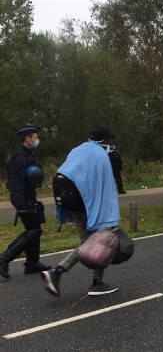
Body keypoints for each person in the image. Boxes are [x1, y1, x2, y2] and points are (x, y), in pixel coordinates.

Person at [41, 126, 121, 296]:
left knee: (89, 243)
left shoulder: (78, 150)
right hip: (89, 206)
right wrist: (108, 212)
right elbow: (104, 187)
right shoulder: (100, 156)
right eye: (108, 140)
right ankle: (61, 274)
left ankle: (67, 275)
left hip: (72, 204)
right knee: (98, 243)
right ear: (102, 141)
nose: (110, 143)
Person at [1, 126, 50, 279]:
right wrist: (21, 205)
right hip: (22, 198)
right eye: (35, 137)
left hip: (29, 196)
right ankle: (3, 259)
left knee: (35, 227)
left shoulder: (27, 153)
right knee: (32, 231)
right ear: (28, 139)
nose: (37, 140)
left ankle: (32, 263)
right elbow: (16, 182)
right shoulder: (20, 156)